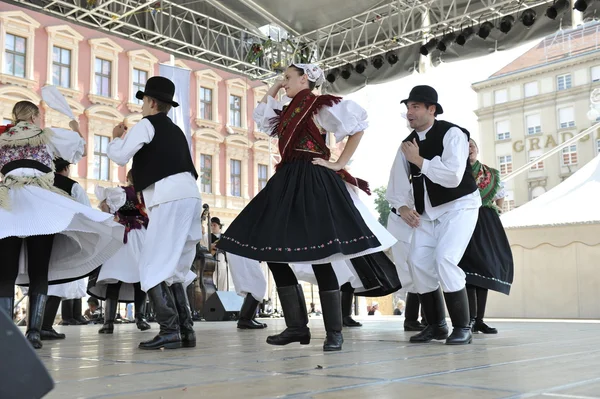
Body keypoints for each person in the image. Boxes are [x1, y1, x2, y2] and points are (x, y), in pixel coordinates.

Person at [217, 64, 400, 352]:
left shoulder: (318, 105)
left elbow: (359, 125)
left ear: (305, 79)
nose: (283, 81)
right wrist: (275, 88)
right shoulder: (287, 112)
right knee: (272, 252)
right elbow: (262, 120)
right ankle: (296, 327)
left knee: (322, 253)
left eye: (288, 78)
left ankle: (334, 332)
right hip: (287, 180)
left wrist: (339, 163)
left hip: (313, 179)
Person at [0, 101, 123, 349]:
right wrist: (76, 128)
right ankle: (34, 332)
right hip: (41, 202)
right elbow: (80, 150)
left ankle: (5, 334)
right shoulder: (48, 135)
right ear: (34, 116)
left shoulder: (3, 138)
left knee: (5, 274)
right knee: (39, 270)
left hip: (9, 201)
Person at [107, 76, 201, 350]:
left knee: (152, 263)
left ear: (150, 102)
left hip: (168, 197)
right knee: (176, 268)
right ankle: (185, 330)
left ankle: (170, 330)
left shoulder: (147, 124)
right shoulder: (176, 131)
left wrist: (115, 138)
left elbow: (121, 156)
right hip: (191, 195)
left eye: (143, 101)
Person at [394, 85, 481, 346]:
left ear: (431, 110)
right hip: (427, 214)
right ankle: (436, 325)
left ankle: (463, 327)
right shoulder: (406, 145)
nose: (409, 112)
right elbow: (397, 183)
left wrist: (420, 161)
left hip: (459, 206)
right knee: (417, 262)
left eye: (416, 107)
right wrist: (403, 208)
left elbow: (454, 177)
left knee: (445, 259)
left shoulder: (453, 133)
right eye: (408, 107)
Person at [459, 139, 514, 334]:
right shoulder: (457, 171)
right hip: (464, 220)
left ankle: (479, 320)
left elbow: (500, 193)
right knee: (467, 271)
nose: (469, 149)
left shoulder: (489, 173)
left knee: (484, 269)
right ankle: (470, 319)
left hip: (486, 221)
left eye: (472, 146)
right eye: (465, 147)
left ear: (477, 149)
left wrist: (498, 208)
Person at [88, 170, 151, 334]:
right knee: (133, 277)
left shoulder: (134, 194)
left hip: (129, 234)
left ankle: (112, 321)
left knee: (122, 278)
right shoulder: (135, 194)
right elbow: (107, 207)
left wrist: (114, 214)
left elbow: (105, 207)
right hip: (134, 235)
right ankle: (137, 318)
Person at [41, 157, 92, 340]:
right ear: (66, 169)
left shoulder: (38, 183)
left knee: (39, 278)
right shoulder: (71, 186)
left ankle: (36, 326)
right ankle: (45, 326)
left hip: (37, 234)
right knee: (58, 281)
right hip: (62, 235)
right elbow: (86, 212)